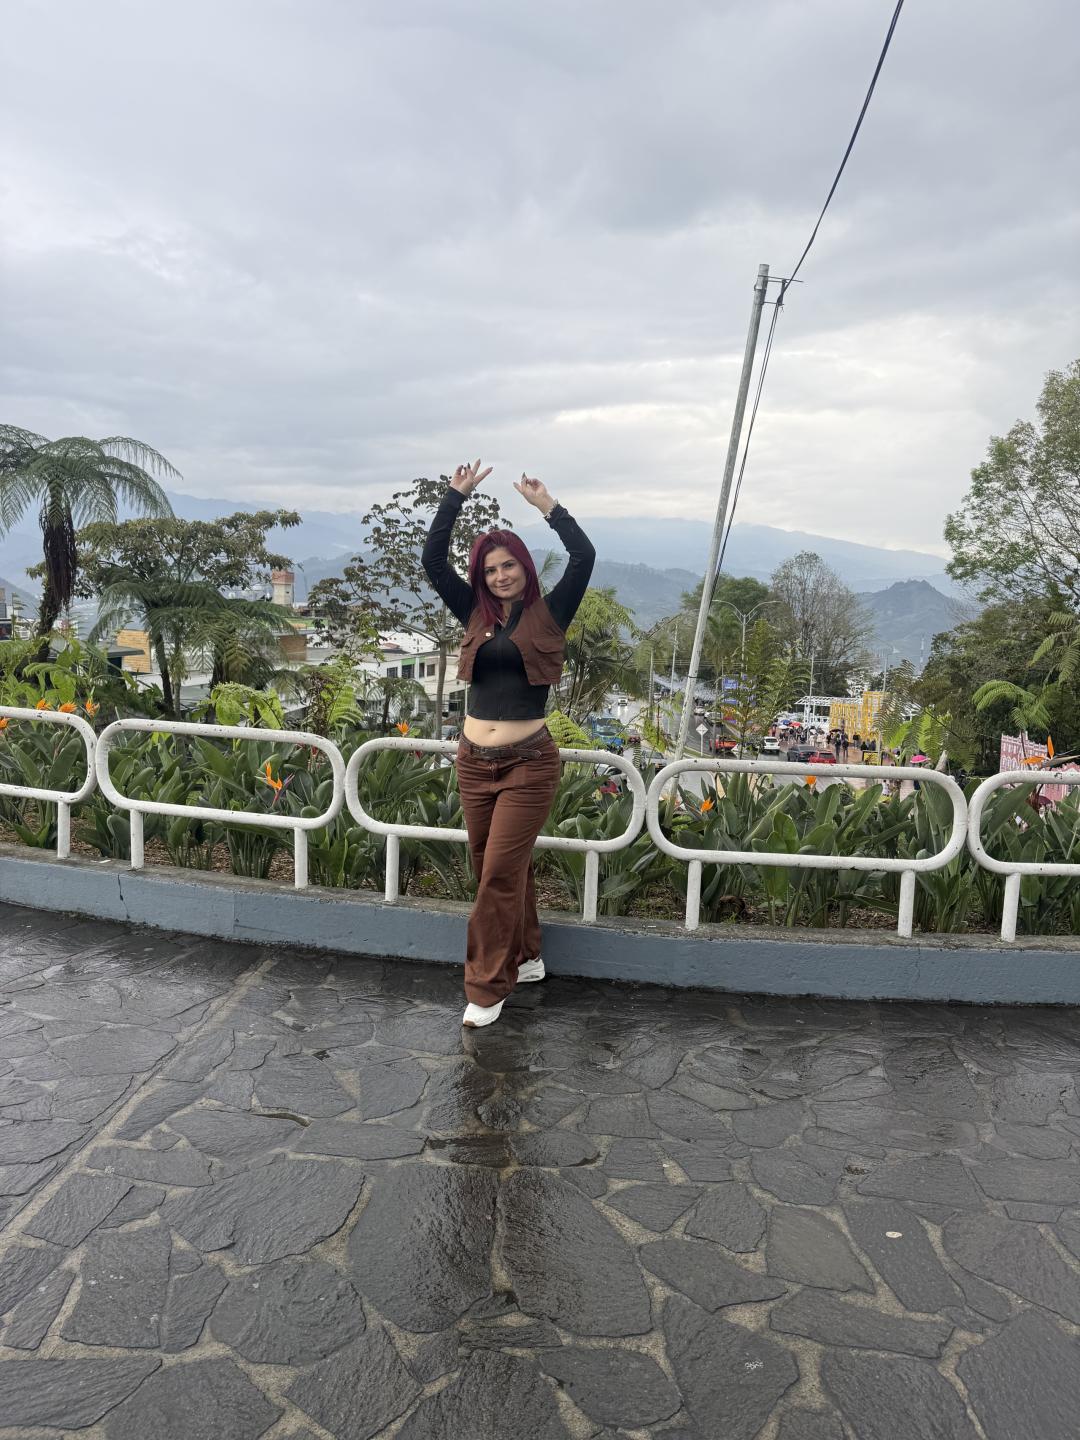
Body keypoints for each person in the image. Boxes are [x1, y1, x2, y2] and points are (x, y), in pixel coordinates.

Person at [422, 458, 595, 1028]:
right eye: (491, 569)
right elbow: (432, 561)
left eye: (509, 566)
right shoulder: (473, 612)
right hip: (473, 763)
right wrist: (454, 498)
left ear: (524, 566)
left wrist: (548, 507)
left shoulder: (551, 612)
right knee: (493, 869)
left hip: (528, 764)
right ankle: (527, 956)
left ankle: (486, 988)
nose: (500, 576)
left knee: (498, 872)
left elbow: (583, 556)